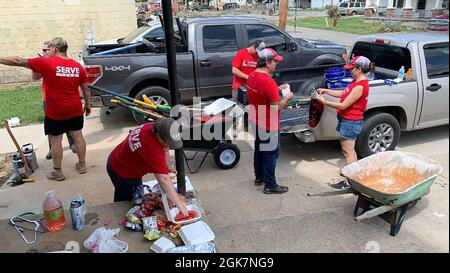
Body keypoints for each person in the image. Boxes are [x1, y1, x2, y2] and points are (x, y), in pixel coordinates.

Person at [0, 37, 92, 181]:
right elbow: (86, 88)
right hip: (74, 108)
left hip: (55, 111)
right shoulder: (77, 66)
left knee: (56, 141)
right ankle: (82, 165)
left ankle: (58, 172)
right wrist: (87, 105)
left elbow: (18, 61)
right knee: (78, 135)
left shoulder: (46, 62)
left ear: (54, 49)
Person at [106, 118, 188, 216]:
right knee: (125, 203)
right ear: (158, 135)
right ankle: (117, 219)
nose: (167, 145)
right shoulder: (151, 146)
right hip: (121, 170)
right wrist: (179, 204)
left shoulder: (154, 127)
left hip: (119, 157)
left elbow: (165, 149)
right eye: (166, 142)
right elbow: (164, 180)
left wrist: (166, 168)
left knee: (136, 197)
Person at [315, 56, 375, 190]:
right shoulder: (356, 81)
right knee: (350, 151)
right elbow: (344, 93)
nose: (350, 71)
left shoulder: (360, 86)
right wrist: (327, 91)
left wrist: (324, 101)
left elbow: (343, 105)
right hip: (347, 120)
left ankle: (349, 182)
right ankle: (353, 176)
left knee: (348, 153)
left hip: (350, 121)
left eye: (352, 69)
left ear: (359, 69)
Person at [246, 48, 294, 194]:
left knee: (259, 150)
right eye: (275, 61)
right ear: (267, 62)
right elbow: (276, 106)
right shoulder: (268, 81)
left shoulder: (252, 76)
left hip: (256, 120)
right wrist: (287, 97)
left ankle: (259, 177)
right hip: (268, 124)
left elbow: (263, 94)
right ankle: (270, 185)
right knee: (271, 154)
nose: (276, 64)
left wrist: (277, 89)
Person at [32, 41, 76, 160]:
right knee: (51, 127)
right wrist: (37, 64)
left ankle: (72, 143)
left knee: (69, 122)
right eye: (42, 51)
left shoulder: (63, 62)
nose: (43, 53)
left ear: (53, 50)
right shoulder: (44, 64)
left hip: (65, 99)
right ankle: (52, 148)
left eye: (46, 50)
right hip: (49, 100)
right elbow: (35, 77)